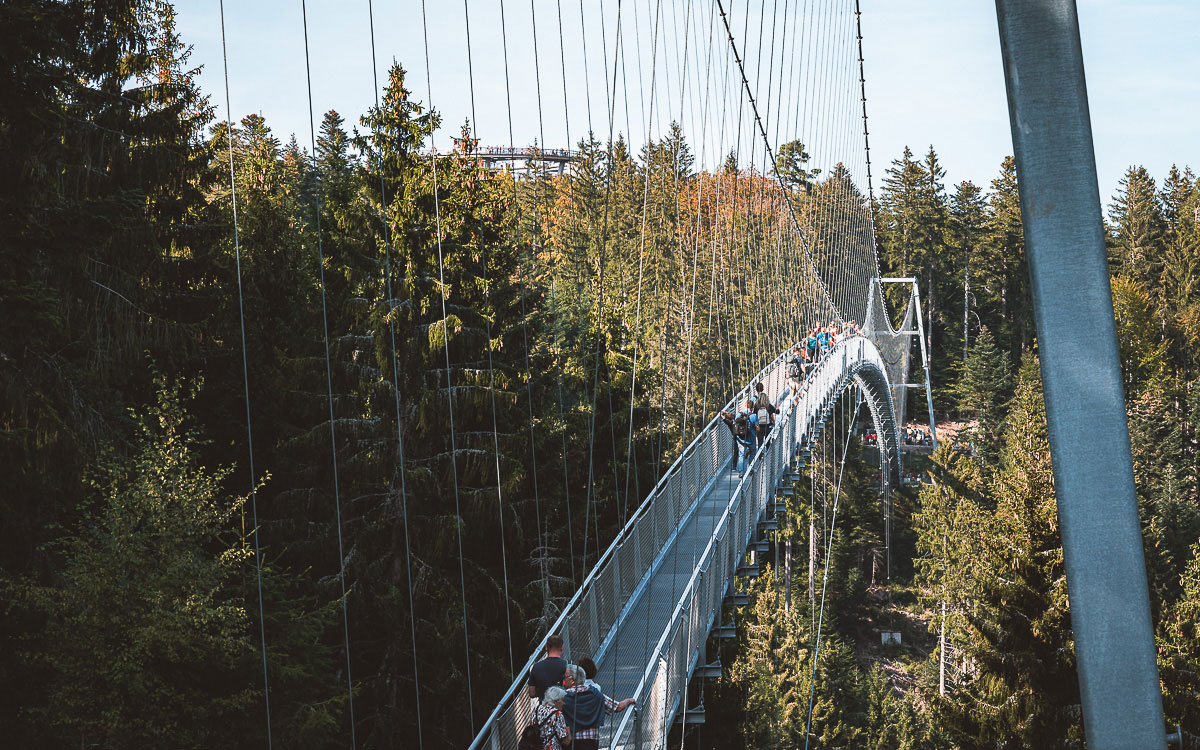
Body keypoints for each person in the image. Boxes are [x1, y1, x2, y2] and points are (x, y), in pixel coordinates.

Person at [561, 664, 636, 750]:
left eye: (565, 677)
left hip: (571, 741)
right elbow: (617, 707)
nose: (563, 680)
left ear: (572, 680)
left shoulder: (563, 697)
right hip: (592, 742)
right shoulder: (596, 694)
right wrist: (629, 700)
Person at [527, 634, 568, 700]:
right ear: (562, 648)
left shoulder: (537, 667)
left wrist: (541, 692)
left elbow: (532, 693)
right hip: (563, 706)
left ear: (546, 647)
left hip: (545, 706)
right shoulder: (568, 665)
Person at [753, 382, 778, 450]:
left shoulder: (756, 406)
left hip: (759, 426)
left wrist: (755, 425)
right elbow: (776, 412)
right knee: (768, 442)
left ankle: (760, 456)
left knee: (760, 443)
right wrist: (773, 420)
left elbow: (754, 415)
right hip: (768, 425)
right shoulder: (768, 406)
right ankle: (768, 458)